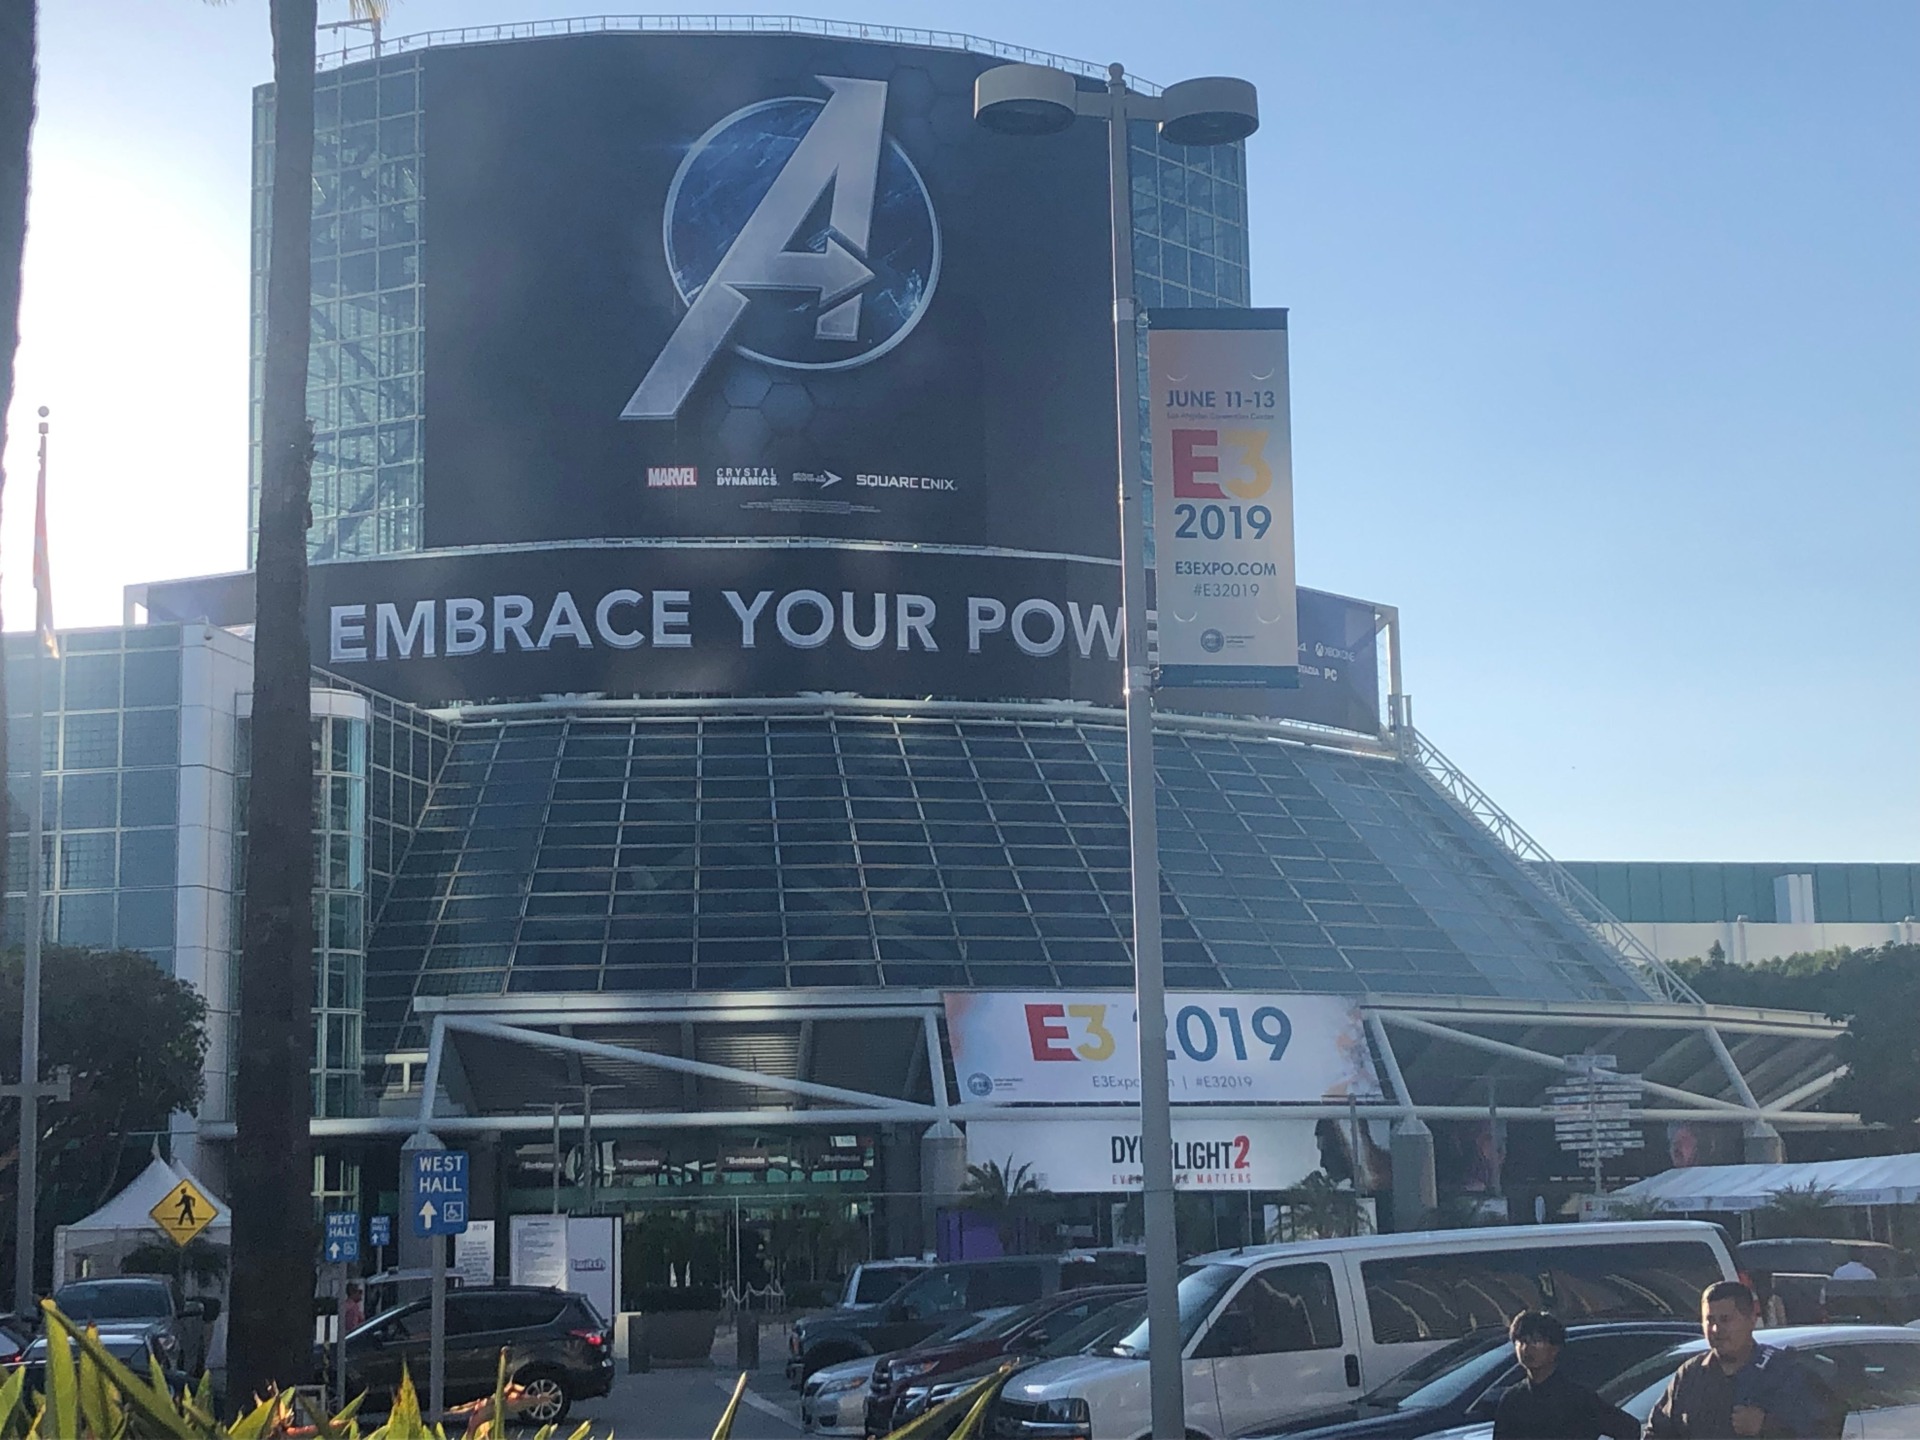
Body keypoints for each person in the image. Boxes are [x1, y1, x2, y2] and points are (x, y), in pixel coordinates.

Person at [1644, 1280, 1839, 1439]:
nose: (1716, 1330)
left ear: (1751, 1319)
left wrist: (1767, 1425)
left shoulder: (1785, 1373)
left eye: (1725, 1319)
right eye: (1710, 1320)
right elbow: (1658, 1432)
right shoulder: (1691, 1374)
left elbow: (1825, 1430)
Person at [1492, 1310, 1638, 1439]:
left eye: (1536, 1341)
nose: (1526, 1348)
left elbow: (1630, 1428)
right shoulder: (1512, 1399)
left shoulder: (1577, 1398)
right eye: (1521, 1341)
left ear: (1554, 1348)